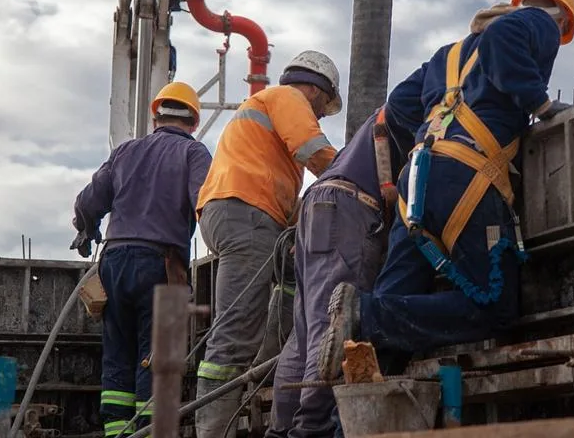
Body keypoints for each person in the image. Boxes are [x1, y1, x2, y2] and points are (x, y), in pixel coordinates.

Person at [317, 0, 574, 382]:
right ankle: (366, 314)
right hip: (466, 178)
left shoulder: (447, 56)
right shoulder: (540, 19)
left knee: (396, 301)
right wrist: (541, 106)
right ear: (562, 16)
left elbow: (398, 107)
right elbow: (503, 39)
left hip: (416, 180)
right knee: (494, 306)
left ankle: (353, 410)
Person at [194, 50, 342, 438]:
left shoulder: (265, 113)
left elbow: (284, 188)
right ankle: (212, 433)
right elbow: (314, 151)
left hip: (239, 213)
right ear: (315, 89)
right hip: (247, 216)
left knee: (290, 283)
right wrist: (353, 176)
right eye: (324, 106)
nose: (322, 115)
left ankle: (272, 363)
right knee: (233, 339)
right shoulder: (289, 98)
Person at [265, 101, 420, 438]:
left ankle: (280, 431)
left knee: (304, 336)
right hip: (350, 208)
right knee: (335, 327)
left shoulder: (367, 137)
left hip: (316, 205)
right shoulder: (431, 114)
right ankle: (311, 429)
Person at [70, 82, 212, 436]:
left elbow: (87, 203)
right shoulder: (195, 155)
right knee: (159, 358)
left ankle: (117, 432)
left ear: (155, 117)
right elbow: (205, 204)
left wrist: (87, 232)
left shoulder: (125, 152)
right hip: (161, 265)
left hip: (114, 262)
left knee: (118, 352)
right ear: (193, 121)